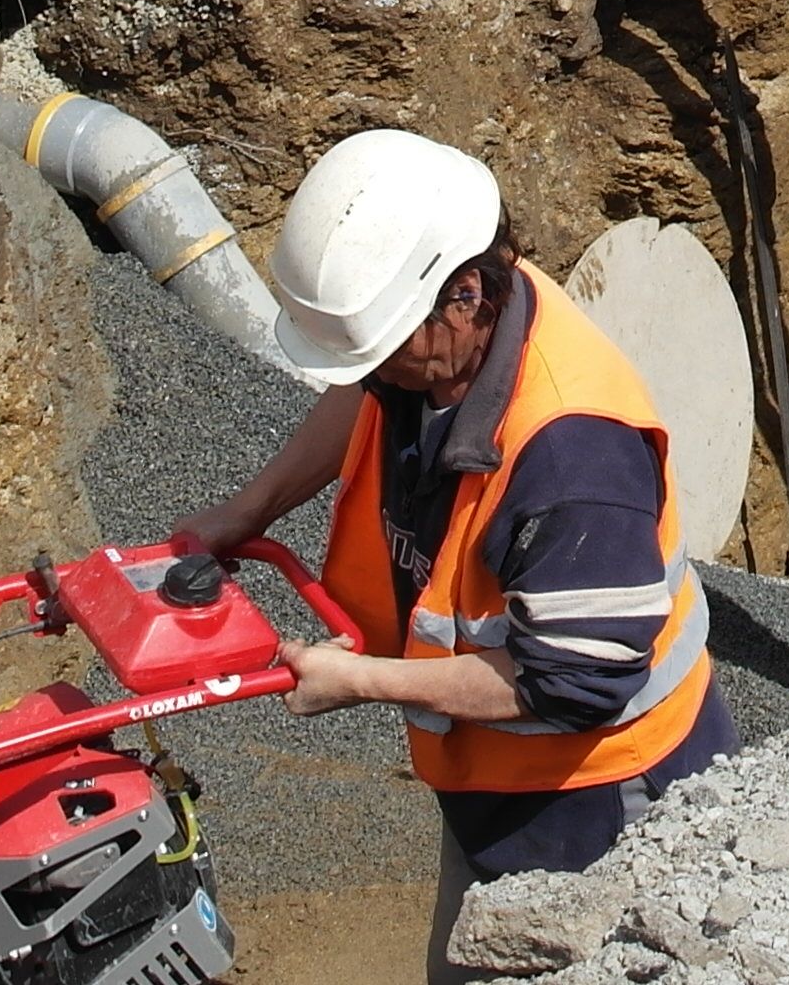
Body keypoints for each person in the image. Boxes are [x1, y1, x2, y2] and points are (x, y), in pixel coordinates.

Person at [164, 129, 724, 882]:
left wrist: (362, 680)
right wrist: (248, 512)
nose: (378, 376)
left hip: (598, 796)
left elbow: (573, 682)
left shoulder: (573, 461)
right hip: (491, 774)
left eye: (386, 351)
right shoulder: (458, 325)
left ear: (462, 299)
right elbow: (369, 385)